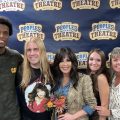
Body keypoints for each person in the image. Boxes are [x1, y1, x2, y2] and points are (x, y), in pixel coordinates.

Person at [51, 47, 97, 120]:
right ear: (58, 63)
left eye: (68, 60)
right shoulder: (54, 79)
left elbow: (92, 105)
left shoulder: (83, 79)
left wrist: (73, 116)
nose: (65, 64)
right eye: (61, 61)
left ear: (73, 62)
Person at [16, 37, 54, 120]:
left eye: (36, 49)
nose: (32, 53)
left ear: (42, 51)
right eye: (29, 50)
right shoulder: (19, 71)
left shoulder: (52, 70)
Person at [0, 16, 23, 120]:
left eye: (5, 33)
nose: (1, 36)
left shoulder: (15, 56)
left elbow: (32, 63)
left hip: (12, 115)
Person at [95, 47, 120, 120]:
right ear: (111, 63)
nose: (118, 62)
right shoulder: (112, 78)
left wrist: (110, 112)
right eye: (115, 60)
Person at [87, 48, 110, 120]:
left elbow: (104, 107)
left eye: (98, 60)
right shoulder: (90, 74)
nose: (94, 63)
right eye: (91, 59)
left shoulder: (101, 78)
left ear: (102, 63)